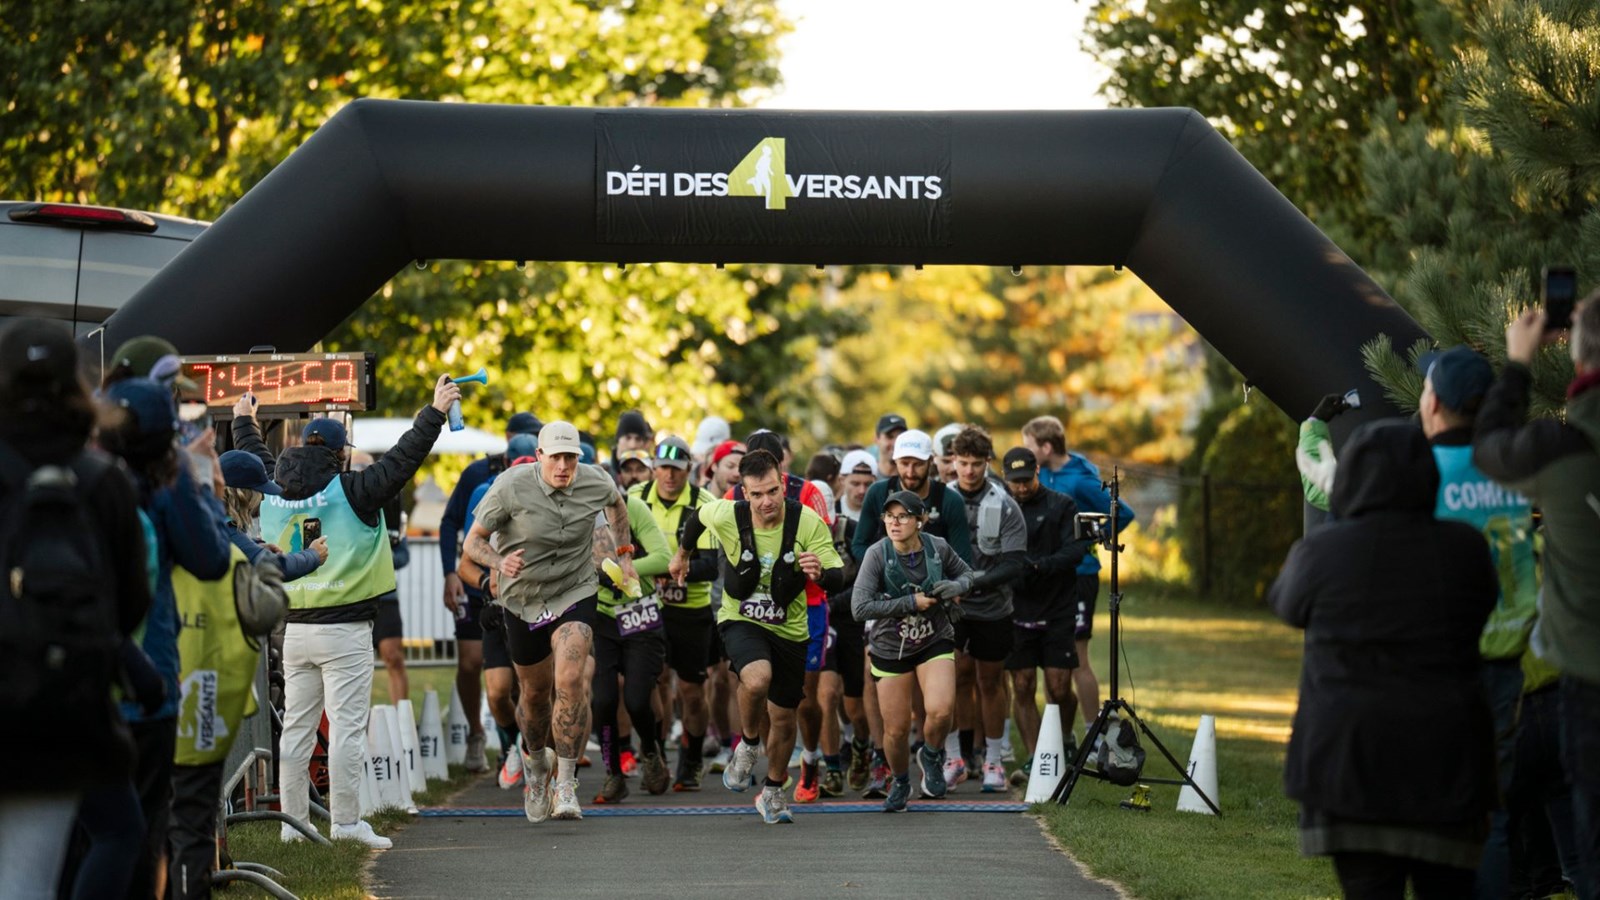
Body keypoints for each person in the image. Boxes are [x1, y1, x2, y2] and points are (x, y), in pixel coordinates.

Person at [1270, 419, 1497, 899]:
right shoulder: (1465, 549)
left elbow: (1286, 605)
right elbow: (1483, 607)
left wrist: (1339, 510)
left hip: (1350, 770)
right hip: (1446, 768)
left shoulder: (1322, 552)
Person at [264, 377, 456, 849]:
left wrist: (245, 422)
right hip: (345, 629)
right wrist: (434, 412)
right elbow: (403, 459)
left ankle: (293, 827)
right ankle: (346, 824)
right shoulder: (354, 490)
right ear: (339, 454)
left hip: (294, 629)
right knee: (347, 729)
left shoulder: (272, 487)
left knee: (296, 730)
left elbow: (252, 453)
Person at [0, 320, 152, 900]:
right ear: (78, 387)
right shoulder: (103, 480)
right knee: (30, 879)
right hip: (63, 717)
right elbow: (129, 604)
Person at [1474, 301, 1600, 900]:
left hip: (1576, 684)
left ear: (1578, 357)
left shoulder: (1562, 451)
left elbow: (1492, 448)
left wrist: (1519, 362)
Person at [96, 366, 232, 894]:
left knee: (94, 837)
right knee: (142, 832)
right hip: (147, 680)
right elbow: (211, 557)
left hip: (82, 681)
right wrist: (198, 479)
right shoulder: (169, 486)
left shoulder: (79, 475)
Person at [463, 421, 638, 824]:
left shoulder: (595, 480)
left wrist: (624, 554)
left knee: (571, 679)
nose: (563, 466)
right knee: (535, 695)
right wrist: (499, 562)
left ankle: (566, 783)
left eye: (570, 458)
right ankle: (537, 765)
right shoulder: (510, 486)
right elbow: (473, 543)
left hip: (574, 590)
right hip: (523, 599)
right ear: (540, 456)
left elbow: (616, 506)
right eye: (555, 457)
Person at [669, 449, 845, 824]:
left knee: (783, 716)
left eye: (772, 491)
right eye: (757, 494)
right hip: (740, 617)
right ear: (744, 492)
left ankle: (773, 791)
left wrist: (820, 574)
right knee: (757, 677)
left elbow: (838, 574)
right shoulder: (727, 514)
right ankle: (748, 744)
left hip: (790, 627)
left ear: (782, 484)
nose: (767, 502)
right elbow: (697, 518)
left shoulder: (807, 522)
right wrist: (682, 555)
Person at [851, 491, 975, 812]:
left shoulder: (938, 547)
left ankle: (931, 755)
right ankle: (901, 781)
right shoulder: (877, 554)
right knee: (896, 730)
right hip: (891, 645)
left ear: (921, 520)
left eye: (903, 516)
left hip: (934, 637)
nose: (894, 523)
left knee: (941, 710)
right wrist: (909, 602)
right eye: (889, 516)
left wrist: (957, 586)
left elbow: (967, 574)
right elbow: (859, 608)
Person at [728, 430, 835, 803]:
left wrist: (815, 568)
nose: (763, 497)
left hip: (805, 605)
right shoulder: (734, 496)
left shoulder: (809, 493)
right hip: (754, 606)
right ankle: (761, 756)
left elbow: (826, 547)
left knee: (802, 698)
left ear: (781, 465)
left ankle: (810, 759)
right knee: (757, 685)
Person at [437, 412, 542, 773]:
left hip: (532, 602)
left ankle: (529, 751)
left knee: (528, 685)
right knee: (486, 678)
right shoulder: (482, 485)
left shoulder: (551, 487)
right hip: (489, 595)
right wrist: (463, 577)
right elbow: (457, 533)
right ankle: (495, 739)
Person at [1022, 414, 1135, 743]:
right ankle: (1061, 738)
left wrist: (1088, 539)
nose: (1026, 452)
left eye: (1029, 446)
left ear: (1046, 447)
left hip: (1079, 575)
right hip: (1051, 578)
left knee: (1077, 658)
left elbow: (1123, 513)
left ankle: (1094, 735)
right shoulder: (1043, 474)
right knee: (1053, 660)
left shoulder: (1080, 479)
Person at [1001, 447, 1092, 782]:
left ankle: (1064, 740)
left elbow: (1077, 549)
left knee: (1059, 686)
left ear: (1037, 472)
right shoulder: (1001, 508)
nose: (1022, 487)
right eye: (1015, 482)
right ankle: (1035, 756)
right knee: (1022, 684)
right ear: (1005, 479)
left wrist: (1041, 566)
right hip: (1016, 609)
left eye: (1027, 480)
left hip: (1057, 607)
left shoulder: (1062, 505)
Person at [633, 436, 720, 791]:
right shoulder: (636, 497)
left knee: (691, 691)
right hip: (646, 606)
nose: (669, 476)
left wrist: (669, 572)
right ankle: (653, 757)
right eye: (664, 468)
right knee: (649, 683)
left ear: (690, 470)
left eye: (677, 469)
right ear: (654, 468)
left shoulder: (705, 503)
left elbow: (711, 566)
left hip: (691, 609)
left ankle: (693, 758)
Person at [947, 426, 1030, 792]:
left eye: (976, 464)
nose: (969, 471)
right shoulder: (941, 500)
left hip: (992, 607)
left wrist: (972, 583)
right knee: (953, 679)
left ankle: (994, 760)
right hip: (950, 609)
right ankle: (955, 758)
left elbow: (1014, 564)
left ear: (987, 463)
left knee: (990, 682)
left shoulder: (1005, 504)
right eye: (963, 463)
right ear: (953, 461)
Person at [591, 469, 674, 802]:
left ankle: (651, 752)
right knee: (603, 700)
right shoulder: (577, 514)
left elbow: (664, 558)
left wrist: (622, 570)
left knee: (638, 699)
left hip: (641, 615)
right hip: (601, 618)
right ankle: (612, 773)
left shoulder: (633, 507)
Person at [348, 449, 413, 705]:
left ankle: (402, 718)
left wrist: (377, 556)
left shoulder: (390, 508)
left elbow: (403, 555)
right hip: (351, 596)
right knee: (351, 665)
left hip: (385, 595)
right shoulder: (342, 504)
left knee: (393, 655)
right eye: (356, 471)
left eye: (367, 470)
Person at [874, 413, 908, 478]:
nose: (895, 443)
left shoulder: (913, 478)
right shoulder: (867, 477)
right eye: (890, 437)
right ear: (877, 439)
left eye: (901, 437)